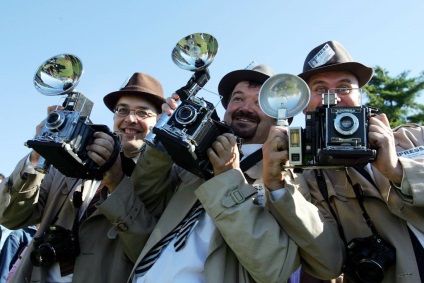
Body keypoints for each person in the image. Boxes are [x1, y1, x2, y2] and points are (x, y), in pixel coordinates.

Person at [128, 64, 344, 283]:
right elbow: (140, 202)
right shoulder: (191, 165)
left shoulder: (292, 181)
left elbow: (327, 265)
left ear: (283, 115)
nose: (245, 108)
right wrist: (164, 140)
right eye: (237, 99)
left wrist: (230, 179)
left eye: (260, 101)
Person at [0, 72, 166, 282]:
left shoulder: (161, 178)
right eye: (122, 110)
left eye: (143, 113)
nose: (130, 119)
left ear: (159, 121)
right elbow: (10, 216)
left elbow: (151, 252)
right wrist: (37, 156)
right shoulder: (67, 165)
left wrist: (116, 182)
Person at [297, 40, 424, 282]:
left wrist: (397, 170)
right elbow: (326, 264)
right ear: (305, 105)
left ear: (360, 96)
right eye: (321, 90)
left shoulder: (415, 137)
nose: (332, 99)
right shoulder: (309, 178)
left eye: (344, 88)